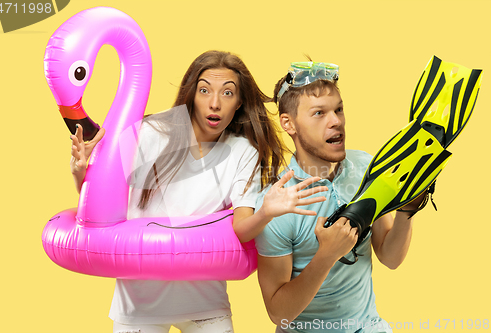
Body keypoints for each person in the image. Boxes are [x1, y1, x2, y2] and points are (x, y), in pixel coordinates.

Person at [69, 51, 328, 333]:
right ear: (192, 94)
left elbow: (241, 228)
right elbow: (102, 209)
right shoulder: (149, 132)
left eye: (227, 93)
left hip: (205, 304)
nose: (214, 104)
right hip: (138, 303)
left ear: (239, 102)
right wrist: (82, 173)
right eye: (205, 90)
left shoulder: (243, 152)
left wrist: (265, 211)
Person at [255, 61, 427, 333]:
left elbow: (390, 257)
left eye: (338, 109)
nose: (336, 121)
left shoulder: (367, 168)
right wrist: (327, 255)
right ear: (289, 124)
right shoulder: (278, 203)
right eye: (319, 113)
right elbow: (279, 315)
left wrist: (408, 209)